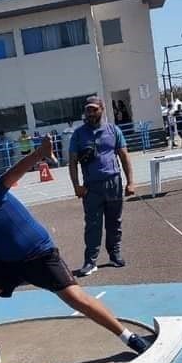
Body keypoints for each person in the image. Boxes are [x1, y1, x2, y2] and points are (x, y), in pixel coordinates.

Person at [0, 138, 149, 363]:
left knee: (76, 298)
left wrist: (39, 154)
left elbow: (13, 174)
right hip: (5, 262)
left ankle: (129, 337)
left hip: (39, 253)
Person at [68, 96, 136, 276]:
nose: (90, 113)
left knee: (115, 222)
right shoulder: (78, 134)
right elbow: (72, 162)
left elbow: (124, 157)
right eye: (87, 110)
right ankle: (90, 262)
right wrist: (76, 186)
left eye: (93, 109)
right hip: (91, 188)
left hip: (113, 182)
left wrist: (130, 182)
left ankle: (114, 254)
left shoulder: (113, 130)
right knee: (93, 224)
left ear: (102, 109)